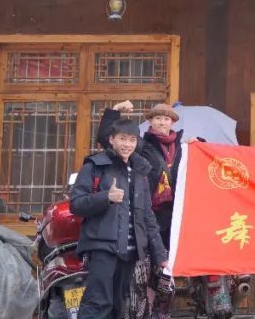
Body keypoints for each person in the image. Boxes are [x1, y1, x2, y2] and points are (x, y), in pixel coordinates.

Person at [95, 101, 188, 319]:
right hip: (144, 214)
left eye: (166, 118)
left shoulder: (183, 147)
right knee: (141, 275)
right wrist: (115, 112)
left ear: (172, 122)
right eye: (158, 118)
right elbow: (108, 139)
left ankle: (162, 312)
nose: (162, 122)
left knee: (166, 270)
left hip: (174, 218)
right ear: (150, 122)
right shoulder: (141, 145)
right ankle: (142, 313)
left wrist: (197, 145)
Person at [70, 117, 167, 319]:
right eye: (122, 139)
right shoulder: (95, 166)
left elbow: (147, 216)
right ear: (111, 139)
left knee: (118, 306)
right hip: (102, 248)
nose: (127, 144)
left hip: (129, 252)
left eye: (132, 140)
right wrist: (106, 197)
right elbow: (76, 204)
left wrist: (160, 255)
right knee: (97, 303)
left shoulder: (140, 171)